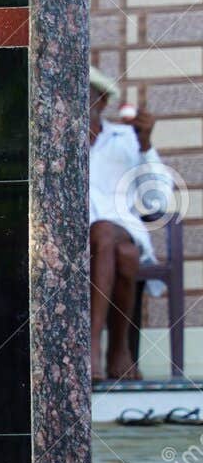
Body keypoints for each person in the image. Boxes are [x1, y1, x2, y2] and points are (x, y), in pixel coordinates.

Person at [88, 67, 169, 382]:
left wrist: (146, 146)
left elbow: (157, 202)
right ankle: (119, 350)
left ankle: (91, 345)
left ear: (103, 101)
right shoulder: (54, 143)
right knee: (125, 256)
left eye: (84, 94)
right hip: (76, 244)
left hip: (120, 228)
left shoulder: (127, 139)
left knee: (105, 231)